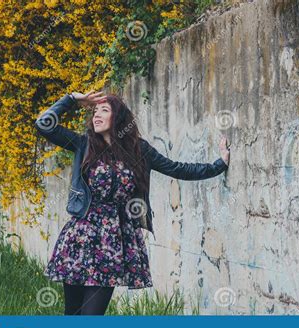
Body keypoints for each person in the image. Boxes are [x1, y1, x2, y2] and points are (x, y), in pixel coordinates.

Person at [36, 90, 230, 315]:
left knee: (91, 317)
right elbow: (43, 124)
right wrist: (72, 99)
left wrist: (219, 164)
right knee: (72, 315)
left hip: (112, 242)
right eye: (95, 111)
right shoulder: (83, 144)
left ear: (117, 118)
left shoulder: (140, 149)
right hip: (80, 237)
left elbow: (177, 168)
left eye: (104, 110)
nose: (96, 116)